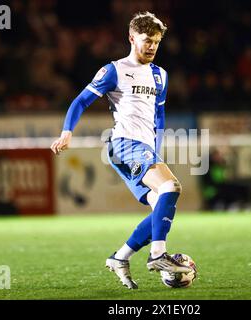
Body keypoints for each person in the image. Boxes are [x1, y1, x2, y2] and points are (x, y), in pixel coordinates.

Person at [50, 12, 192, 289]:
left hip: (143, 148)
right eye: (147, 40)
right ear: (131, 38)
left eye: (156, 42)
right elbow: (80, 102)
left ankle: (120, 257)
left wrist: (156, 150)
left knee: (160, 207)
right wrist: (66, 132)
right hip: (125, 144)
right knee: (171, 187)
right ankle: (157, 256)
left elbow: (159, 117)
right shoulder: (114, 70)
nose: (151, 46)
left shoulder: (160, 76)